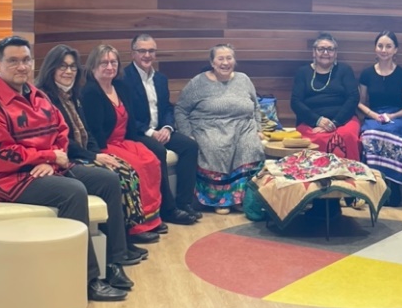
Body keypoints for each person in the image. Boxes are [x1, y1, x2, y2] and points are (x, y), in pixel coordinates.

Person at [0, 36, 130, 302]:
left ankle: (113, 262)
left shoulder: (38, 96)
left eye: (26, 60)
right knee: (72, 191)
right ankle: (87, 279)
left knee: (107, 180)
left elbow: (61, 131)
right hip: (5, 179)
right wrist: (45, 156)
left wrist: (51, 160)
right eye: (13, 61)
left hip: (44, 167)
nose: (21, 66)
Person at [35, 44, 149, 262]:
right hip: (67, 159)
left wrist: (98, 153)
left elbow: (87, 132)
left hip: (84, 154)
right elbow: (60, 140)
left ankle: (124, 237)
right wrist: (94, 157)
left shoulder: (72, 95)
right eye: (62, 66)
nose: (68, 71)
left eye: (72, 67)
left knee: (126, 170)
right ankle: (117, 250)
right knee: (117, 176)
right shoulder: (45, 98)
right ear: (51, 68)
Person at [81, 44, 165, 244]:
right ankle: (136, 226)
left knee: (151, 161)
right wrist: (101, 153)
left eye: (113, 62)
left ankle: (152, 219)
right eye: (104, 63)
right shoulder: (90, 92)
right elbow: (94, 130)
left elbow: (130, 121)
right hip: (105, 145)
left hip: (124, 141)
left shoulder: (120, 87)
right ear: (93, 66)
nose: (110, 67)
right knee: (137, 168)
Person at [174, 44, 265, 214]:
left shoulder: (244, 79)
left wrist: (258, 129)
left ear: (234, 61)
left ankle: (240, 198)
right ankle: (219, 200)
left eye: (229, 58)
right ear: (212, 62)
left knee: (251, 147)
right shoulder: (198, 82)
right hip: (209, 126)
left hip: (243, 127)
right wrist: (188, 134)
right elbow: (180, 109)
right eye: (220, 59)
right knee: (216, 148)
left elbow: (255, 106)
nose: (225, 62)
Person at [122, 34, 200, 224]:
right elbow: (126, 114)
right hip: (137, 133)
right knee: (158, 150)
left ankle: (184, 203)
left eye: (151, 51)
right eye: (142, 51)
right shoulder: (123, 78)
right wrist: (150, 132)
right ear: (133, 53)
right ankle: (168, 209)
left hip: (160, 129)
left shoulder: (160, 78)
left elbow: (166, 108)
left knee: (190, 146)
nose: (147, 55)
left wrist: (167, 127)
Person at [358, 31, 402, 207]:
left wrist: (392, 116)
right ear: (375, 48)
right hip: (374, 115)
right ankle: (375, 186)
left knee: (393, 133)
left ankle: (394, 187)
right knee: (371, 134)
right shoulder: (366, 74)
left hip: (397, 116)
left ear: (395, 49)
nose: (384, 50)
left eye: (388, 46)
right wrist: (373, 115)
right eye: (380, 46)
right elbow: (360, 102)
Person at [291, 32, 360, 160]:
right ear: (314, 52)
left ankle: (348, 171)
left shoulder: (345, 70)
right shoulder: (303, 72)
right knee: (314, 139)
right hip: (310, 122)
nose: (325, 52)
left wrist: (335, 123)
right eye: (321, 49)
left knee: (347, 136)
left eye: (330, 49)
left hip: (343, 120)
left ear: (336, 53)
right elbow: (295, 102)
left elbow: (353, 98)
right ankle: (316, 171)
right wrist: (318, 121)